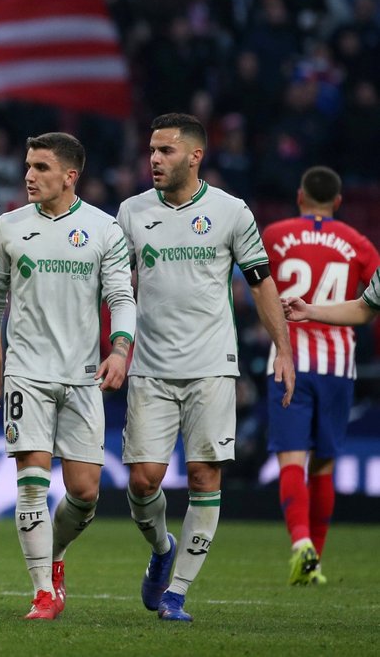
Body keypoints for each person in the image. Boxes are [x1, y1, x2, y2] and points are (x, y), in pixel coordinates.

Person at [116, 113, 295, 623]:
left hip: (213, 365)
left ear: (195, 156)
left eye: (166, 151)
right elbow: (109, 281)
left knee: (203, 474)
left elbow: (260, 283)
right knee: (144, 482)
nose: (154, 159)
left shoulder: (231, 211)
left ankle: (177, 592)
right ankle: (162, 546)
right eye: (151, 149)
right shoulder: (131, 211)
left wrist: (282, 348)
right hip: (149, 365)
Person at [0, 132, 136, 620]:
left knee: (85, 493)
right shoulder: (8, 227)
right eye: (27, 165)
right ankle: (43, 590)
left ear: (70, 175)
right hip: (27, 373)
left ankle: (55, 555)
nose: (29, 175)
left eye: (41, 167)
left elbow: (121, 299)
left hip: (83, 376)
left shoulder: (104, 230)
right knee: (32, 484)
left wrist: (121, 349)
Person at [262, 166, 380, 585]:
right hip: (337, 366)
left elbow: (253, 283)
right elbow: (368, 305)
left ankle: (300, 543)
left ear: (299, 196)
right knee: (325, 464)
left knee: (292, 457)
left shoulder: (275, 234)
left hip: (287, 359)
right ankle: (316, 563)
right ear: (340, 201)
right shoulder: (358, 242)